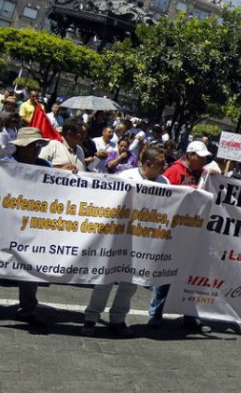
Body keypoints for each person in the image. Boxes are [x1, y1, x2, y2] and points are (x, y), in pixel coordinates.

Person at [81, 146, 168, 338]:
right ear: (148, 164)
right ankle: (91, 317)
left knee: (131, 282)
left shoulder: (165, 182)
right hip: (117, 237)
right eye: (161, 163)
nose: (164, 166)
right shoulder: (126, 177)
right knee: (105, 279)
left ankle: (118, 319)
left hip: (143, 239)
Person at [0, 127, 51, 328]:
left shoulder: (45, 166)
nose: (36, 150)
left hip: (31, 227)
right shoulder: (4, 166)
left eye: (39, 146)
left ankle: (28, 308)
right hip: (2, 225)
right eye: (32, 146)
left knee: (29, 266)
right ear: (21, 147)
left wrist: (69, 173)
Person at [149, 140, 214, 331]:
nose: (203, 161)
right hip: (173, 233)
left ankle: (190, 317)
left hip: (192, 232)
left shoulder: (201, 174)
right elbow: (165, 199)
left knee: (191, 276)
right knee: (165, 275)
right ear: (190, 155)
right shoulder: (174, 172)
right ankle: (155, 314)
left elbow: (215, 170)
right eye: (200, 158)